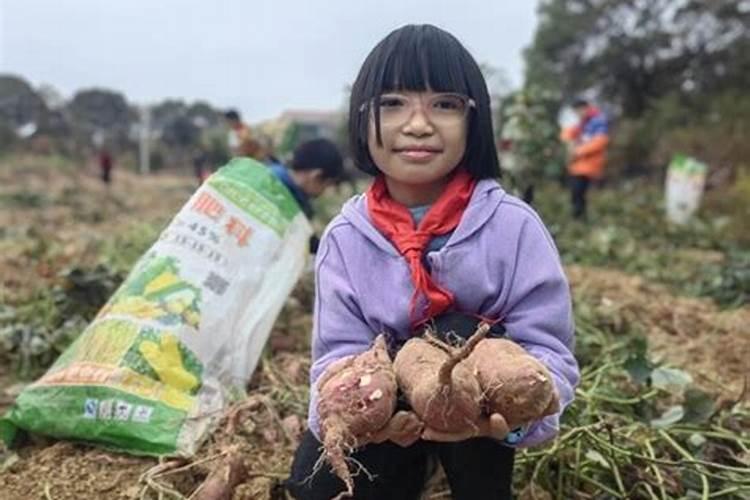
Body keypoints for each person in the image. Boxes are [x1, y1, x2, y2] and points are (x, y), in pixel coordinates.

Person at [285, 24, 579, 500]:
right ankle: (400, 473)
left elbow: (549, 351)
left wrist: (514, 418)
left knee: (465, 333)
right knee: (311, 487)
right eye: (393, 104)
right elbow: (336, 353)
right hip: (387, 405)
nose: (418, 124)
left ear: (474, 121)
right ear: (363, 120)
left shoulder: (513, 225)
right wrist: (351, 415)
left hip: (478, 412)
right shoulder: (345, 237)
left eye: (444, 105)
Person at [267, 138, 344, 253]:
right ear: (316, 176)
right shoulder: (278, 193)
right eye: (327, 185)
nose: (325, 191)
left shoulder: (271, 176)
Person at [561, 98, 609, 220]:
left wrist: (578, 151)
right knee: (576, 195)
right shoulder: (581, 123)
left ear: (585, 108)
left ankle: (580, 220)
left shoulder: (597, 121)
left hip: (588, 166)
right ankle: (579, 219)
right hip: (578, 167)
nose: (577, 114)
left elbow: (600, 142)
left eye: (579, 110)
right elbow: (566, 135)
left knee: (579, 194)